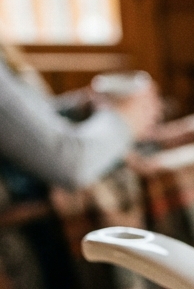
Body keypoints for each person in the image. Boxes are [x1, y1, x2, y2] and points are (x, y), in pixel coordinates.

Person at [0, 42, 162, 195]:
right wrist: (126, 120)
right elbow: (68, 164)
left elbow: (30, 119)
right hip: (29, 211)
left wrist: (82, 105)